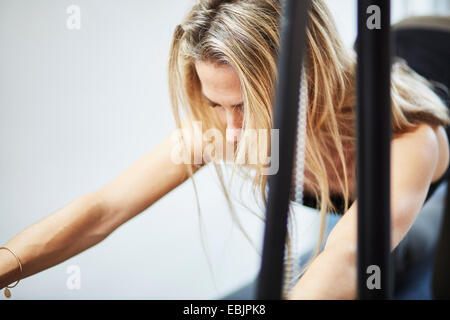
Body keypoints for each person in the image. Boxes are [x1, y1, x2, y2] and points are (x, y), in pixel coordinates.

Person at [1, 0, 449, 300]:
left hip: (427, 148)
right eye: (217, 104)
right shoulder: (226, 124)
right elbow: (104, 210)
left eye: (246, 105)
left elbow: (349, 256)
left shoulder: (409, 139)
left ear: (305, 81)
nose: (231, 131)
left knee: (402, 259)